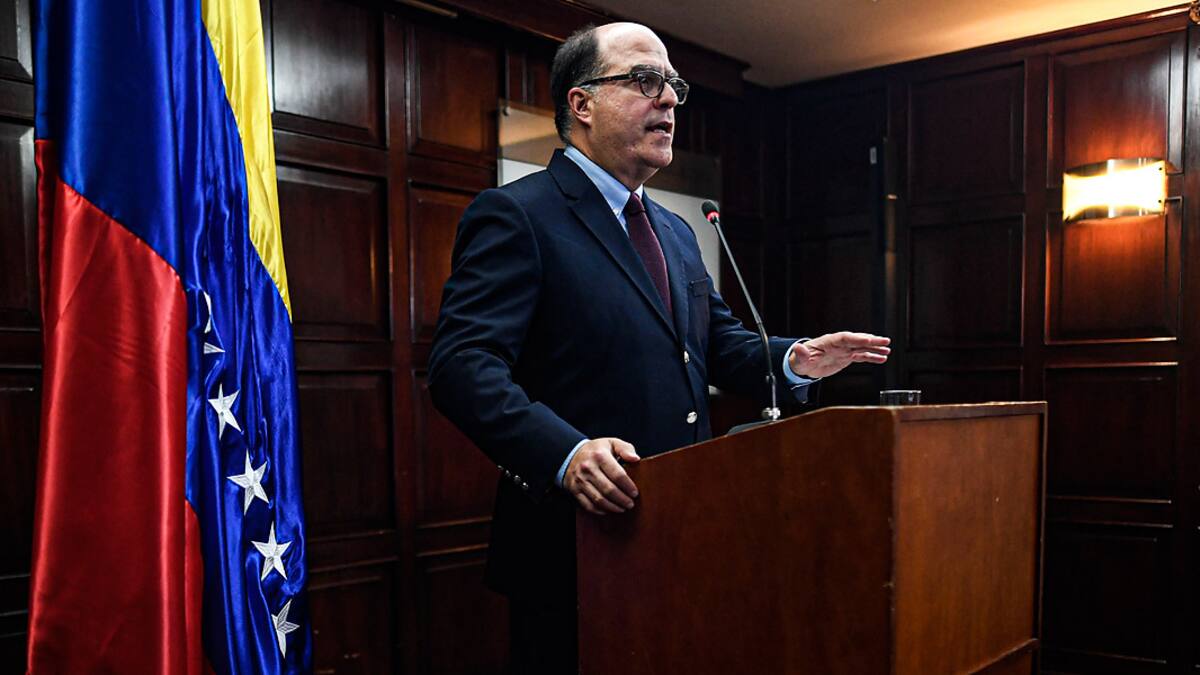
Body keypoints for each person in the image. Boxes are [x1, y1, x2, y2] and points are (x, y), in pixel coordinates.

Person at [428, 21, 890, 673]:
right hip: (573, 548)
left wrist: (794, 360)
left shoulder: (674, 229)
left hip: (681, 532)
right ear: (582, 103)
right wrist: (565, 453)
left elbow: (716, 344)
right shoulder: (518, 215)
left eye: (672, 84)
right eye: (646, 81)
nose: (670, 98)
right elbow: (461, 366)